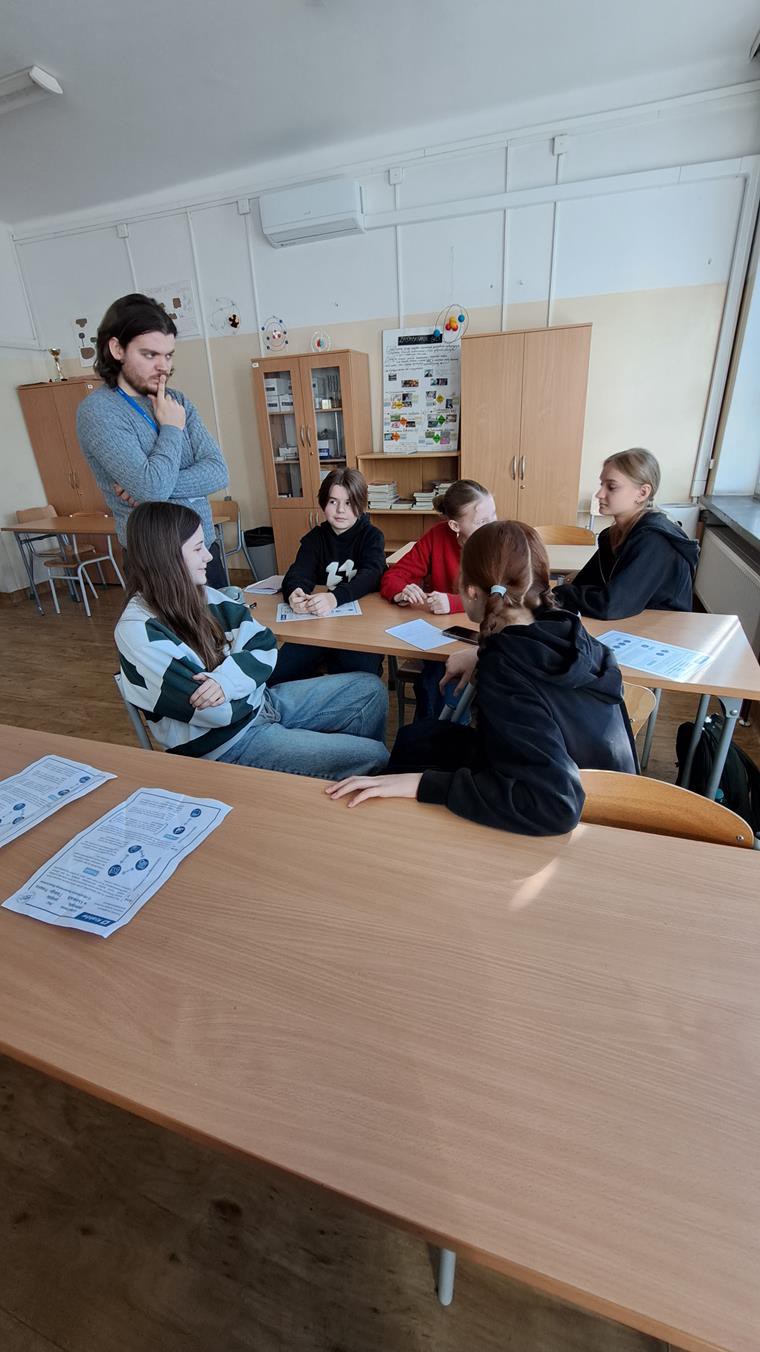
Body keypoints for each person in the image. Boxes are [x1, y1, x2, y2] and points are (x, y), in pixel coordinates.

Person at [327, 520, 637, 834]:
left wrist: (422, 784)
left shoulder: (505, 668)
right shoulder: (568, 629)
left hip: (577, 818)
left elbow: (553, 806)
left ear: (471, 590)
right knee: (417, 739)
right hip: (616, 797)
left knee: (410, 763)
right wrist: (481, 652)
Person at [115, 502, 389, 779]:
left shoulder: (199, 594)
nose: (208, 556)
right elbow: (219, 713)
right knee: (374, 756)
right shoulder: (138, 631)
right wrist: (246, 674)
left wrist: (225, 681)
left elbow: (263, 640)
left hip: (258, 704)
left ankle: (332, 780)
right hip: (223, 745)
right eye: (198, 549)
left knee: (371, 690)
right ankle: (331, 778)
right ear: (166, 557)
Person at [77, 293, 230, 587]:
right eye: (150, 355)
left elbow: (218, 471)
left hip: (202, 549)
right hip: (156, 562)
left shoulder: (177, 399)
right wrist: (171, 428)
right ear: (117, 349)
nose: (163, 367)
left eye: (168, 355)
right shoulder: (99, 411)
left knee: (225, 618)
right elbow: (152, 487)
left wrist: (153, 491)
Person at [379, 479, 496, 718]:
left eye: (493, 515)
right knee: (434, 684)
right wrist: (402, 592)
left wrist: (452, 602)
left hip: (489, 639)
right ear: (454, 525)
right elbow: (393, 576)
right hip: (444, 638)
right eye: (482, 521)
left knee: (448, 686)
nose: (493, 525)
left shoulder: (500, 540)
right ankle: (431, 737)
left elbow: (507, 597)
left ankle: (445, 735)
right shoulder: (438, 535)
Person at [271, 468, 386, 684]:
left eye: (349, 503)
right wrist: (295, 593)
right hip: (317, 628)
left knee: (359, 680)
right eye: (333, 502)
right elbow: (298, 572)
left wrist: (334, 598)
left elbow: (373, 574)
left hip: (360, 629)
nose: (340, 510)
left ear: (360, 505)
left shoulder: (372, 536)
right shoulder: (315, 538)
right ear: (323, 503)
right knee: (276, 673)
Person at [553, 449, 699, 618]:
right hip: (629, 621)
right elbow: (583, 583)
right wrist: (555, 594)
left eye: (611, 487)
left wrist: (560, 593)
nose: (599, 494)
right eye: (601, 485)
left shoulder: (654, 541)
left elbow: (611, 606)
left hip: (663, 628)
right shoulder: (611, 535)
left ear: (642, 493)